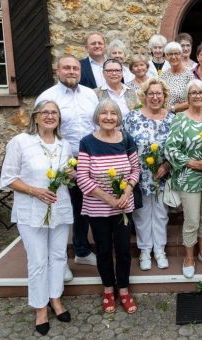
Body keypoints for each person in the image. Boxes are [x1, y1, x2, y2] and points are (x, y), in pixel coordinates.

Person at [0, 100, 74, 335]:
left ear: (59, 118)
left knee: (58, 257)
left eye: (55, 113)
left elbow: (67, 178)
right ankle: (40, 307)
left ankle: (55, 298)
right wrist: (35, 190)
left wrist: (71, 174)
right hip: (31, 211)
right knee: (38, 260)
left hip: (59, 208)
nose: (50, 116)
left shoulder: (65, 145)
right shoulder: (21, 142)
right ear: (36, 117)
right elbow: (8, 178)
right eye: (46, 112)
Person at [36, 55, 99, 277]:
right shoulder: (48, 97)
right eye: (66, 68)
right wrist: (61, 165)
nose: (71, 71)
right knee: (60, 210)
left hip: (87, 161)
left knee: (83, 208)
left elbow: (97, 125)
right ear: (57, 71)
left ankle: (81, 250)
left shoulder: (90, 95)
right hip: (60, 162)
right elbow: (41, 133)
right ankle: (59, 260)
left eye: (75, 68)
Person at [77, 98, 140, 314]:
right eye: (104, 113)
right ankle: (107, 289)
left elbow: (135, 169)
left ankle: (123, 289)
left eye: (113, 113)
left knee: (123, 250)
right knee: (103, 250)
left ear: (119, 118)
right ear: (97, 116)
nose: (109, 117)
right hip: (98, 208)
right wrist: (109, 199)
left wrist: (126, 192)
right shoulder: (87, 142)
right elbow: (82, 178)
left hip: (123, 206)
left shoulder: (126, 139)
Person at [165, 79, 202, 278]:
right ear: (187, 97)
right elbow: (170, 149)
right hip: (189, 177)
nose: (197, 95)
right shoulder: (180, 119)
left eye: (201, 92)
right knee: (192, 219)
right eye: (193, 93)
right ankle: (189, 257)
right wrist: (191, 163)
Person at [123, 78, 175, 271]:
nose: (155, 97)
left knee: (161, 214)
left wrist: (168, 165)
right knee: (142, 214)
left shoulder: (172, 119)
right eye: (151, 93)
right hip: (139, 175)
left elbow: (178, 147)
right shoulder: (132, 118)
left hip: (163, 174)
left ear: (164, 96)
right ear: (144, 96)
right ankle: (145, 251)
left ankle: (160, 250)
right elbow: (124, 146)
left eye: (158, 93)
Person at [160, 42, 194, 113]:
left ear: (181, 55)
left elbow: (193, 99)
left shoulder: (189, 75)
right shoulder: (163, 76)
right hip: (165, 116)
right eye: (170, 54)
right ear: (166, 56)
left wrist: (173, 107)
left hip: (182, 116)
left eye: (176, 53)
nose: (173, 57)